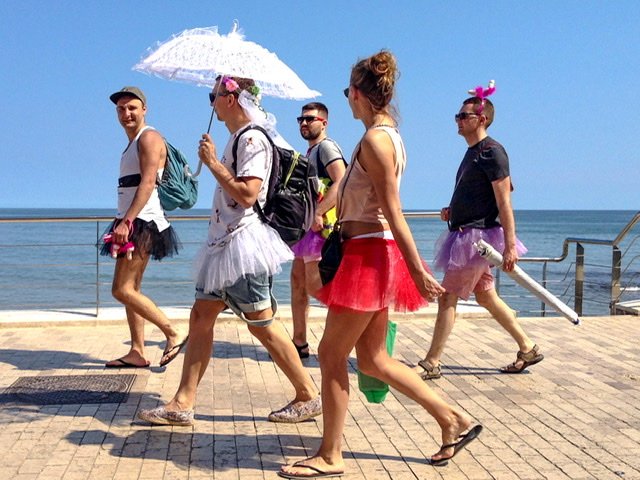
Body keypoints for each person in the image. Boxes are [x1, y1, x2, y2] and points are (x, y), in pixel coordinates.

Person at [279, 51, 482, 479]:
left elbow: (393, 209)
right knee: (372, 361)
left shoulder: (376, 140)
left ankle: (330, 455)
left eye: (347, 93)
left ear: (357, 94)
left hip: (369, 255)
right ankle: (452, 420)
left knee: (331, 353)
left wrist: (416, 268)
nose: (347, 100)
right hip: (368, 252)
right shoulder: (384, 135)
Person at [137, 75, 321, 426]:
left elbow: (248, 194)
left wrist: (212, 163)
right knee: (201, 317)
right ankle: (182, 402)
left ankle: (308, 394)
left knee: (262, 324)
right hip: (224, 245)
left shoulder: (252, 138)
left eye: (214, 95)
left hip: (243, 245)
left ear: (232, 99)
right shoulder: (238, 137)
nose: (211, 102)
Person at [414, 89, 544, 381]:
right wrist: (454, 209)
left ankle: (432, 362)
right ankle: (528, 347)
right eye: (457, 116)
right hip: (465, 233)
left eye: (463, 116)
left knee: (447, 297)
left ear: (481, 118)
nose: (457, 121)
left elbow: (504, 200)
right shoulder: (473, 152)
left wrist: (510, 246)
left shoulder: (492, 151)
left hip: (477, 240)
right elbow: (477, 193)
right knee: (485, 297)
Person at [103, 86, 187, 369]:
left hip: (142, 221)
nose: (126, 113)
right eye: (121, 109)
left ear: (144, 110)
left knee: (121, 289)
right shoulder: (132, 142)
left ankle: (172, 331)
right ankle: (137, 351)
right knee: (133, 288)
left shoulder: (149, 137)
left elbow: (148, 183)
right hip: (132, 218)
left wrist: (127, 221)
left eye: (132, 108)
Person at [290, 102, 346, 358]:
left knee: (316, 285)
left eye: (310, 119)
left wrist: (319, 212)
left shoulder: (326, 147)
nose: (304, 123)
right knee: (298, 282)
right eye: (301, 119)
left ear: (324, 123)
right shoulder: (311, 151)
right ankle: (299, 341)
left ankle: (349, 327)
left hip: (321, 228)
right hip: (309, 227)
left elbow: (341, 180)